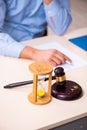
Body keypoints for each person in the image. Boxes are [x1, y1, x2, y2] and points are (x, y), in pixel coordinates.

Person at [0, 0, 72, 66]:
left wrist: (49, 1)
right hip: (9, 46)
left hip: (40, 42)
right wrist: (34, 53)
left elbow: (60, 29)